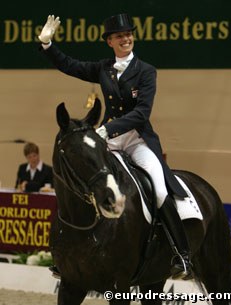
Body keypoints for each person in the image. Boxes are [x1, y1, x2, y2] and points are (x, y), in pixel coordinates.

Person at [38, 13, 192, 279]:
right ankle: (68, 254)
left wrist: (107, 128)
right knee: (84, 182)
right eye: (120, 36)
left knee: (157, 188)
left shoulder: (146, 71)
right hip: (108, 141)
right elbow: (70, 65)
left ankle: (181, 254)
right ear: (110, 41)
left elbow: (142, 112)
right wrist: (48, 45)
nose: (126, 38)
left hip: (137, 139)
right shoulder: (103, 68)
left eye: (129, 34)